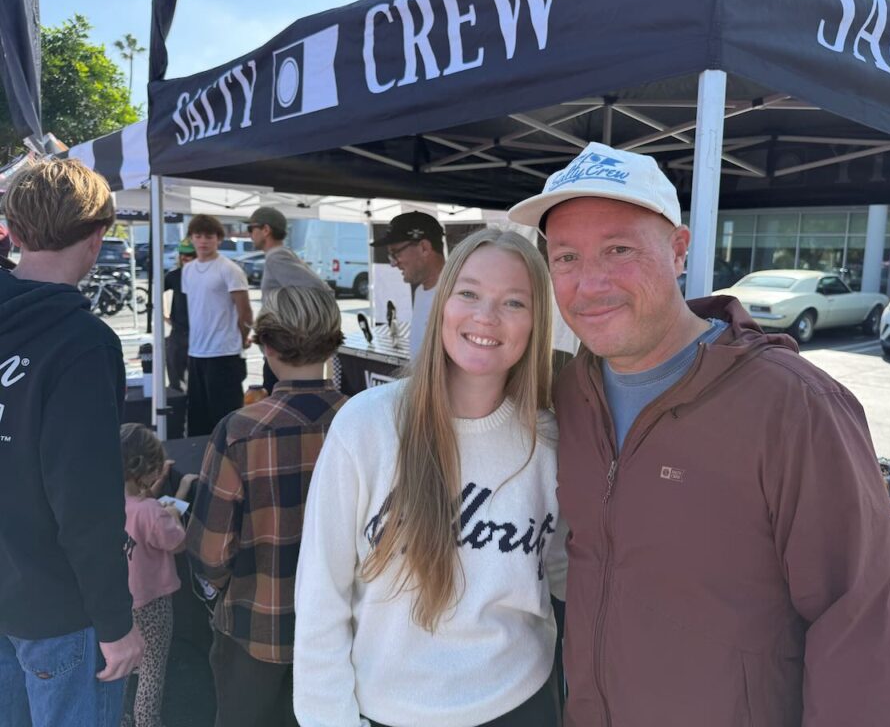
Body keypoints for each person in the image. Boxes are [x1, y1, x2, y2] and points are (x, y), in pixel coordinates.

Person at [508, 142, 890, 727]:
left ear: (678, 249)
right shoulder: (571, 393)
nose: (589, 283)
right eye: (566, 258)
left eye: (618, 249)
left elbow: (856, 620)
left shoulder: (794, 406)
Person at [293, 229, 566, 727]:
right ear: (442, 304)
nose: (486, 315)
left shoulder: (548, 441)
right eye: (469, 293)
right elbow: (320, 595)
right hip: (387, 711)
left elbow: (564, 572)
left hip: (520, 704)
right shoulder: (367, 425)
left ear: (537, 323)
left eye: (514, 302)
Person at [0, 159, 144, 726]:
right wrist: (116, 624)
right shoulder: (83, 344)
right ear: (96, 235)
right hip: (59, 610)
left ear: (12, 227)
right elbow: (86, 504)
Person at [187, 285, 346, 727]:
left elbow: (209, 552)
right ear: (334, 341)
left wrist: (219, 593)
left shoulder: (239, 431)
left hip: (256, 631)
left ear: (266, 344)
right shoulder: (372, 423)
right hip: (350, 634)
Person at [120, 423, 195, 727]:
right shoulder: (151, 513)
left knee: (125, 662)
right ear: (149, 470)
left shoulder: (106, 502)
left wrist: (167, 487)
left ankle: (119, 715)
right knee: (152, 666)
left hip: (119, 600)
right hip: (152, 604)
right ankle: (147, 722)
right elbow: (178, 542)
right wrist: (176, 509)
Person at [245, 205, 330, 394]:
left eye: (251, 228)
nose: (249, 234)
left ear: (265, 230)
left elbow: (320, 290)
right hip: (281, 348)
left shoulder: (277, 257)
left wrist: (295, 326)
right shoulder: (279, 255)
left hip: (282, 351)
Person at [181, 214, 253, 436]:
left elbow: (245, 310)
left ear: (219, 239)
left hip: (224, 352)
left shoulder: (229, 269)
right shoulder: (188, 270)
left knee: (226, 418)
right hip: (196, 353)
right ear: (191, 238)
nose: (203, 241)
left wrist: (242, 338)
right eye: (198, 236)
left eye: (209, 236)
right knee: (198, 417)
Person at [371, 211, 446, 357]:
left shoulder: (458, 293)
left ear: (424, 247)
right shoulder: (420, 291)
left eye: (396, 252)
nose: (393, 263)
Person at [164, 239, 195, 391]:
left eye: (189, 254)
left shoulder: (206, 275)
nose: (185, 257)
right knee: (176, 379)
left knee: (197, 379)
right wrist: (163, 313)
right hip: (178, 332)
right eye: (182, 253)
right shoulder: (174, 275)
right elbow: (156, 292)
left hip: (200, 333)